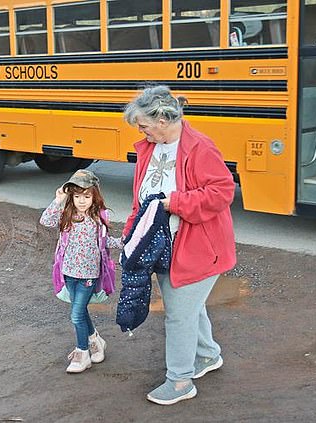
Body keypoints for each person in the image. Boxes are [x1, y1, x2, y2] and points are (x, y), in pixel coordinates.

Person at [123, 86, 236, 405]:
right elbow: (141, 197)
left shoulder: (200, 147)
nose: (140, 130)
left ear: (161, 118)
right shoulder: (150, 146)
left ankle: (180, 381)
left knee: (179, 313)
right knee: (188, 305)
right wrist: (132, 232)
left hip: (197, 247)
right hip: (161, 244)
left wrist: (176, 202)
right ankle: (208, 356)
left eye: (143, 124)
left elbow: (222, 192)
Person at [40, 169, 123, 373]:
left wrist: (124, 242)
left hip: (88, 275)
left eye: (86, 196)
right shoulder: (66, 215)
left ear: (94, 196)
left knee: (76, 315)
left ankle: (82, 352)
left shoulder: (98, 218)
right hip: (68, 273)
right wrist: (58, 200)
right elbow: (45, 221)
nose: (81, 201)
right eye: (77, 196)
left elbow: (104, 243)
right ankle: (95, 340)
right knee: (81, 310)